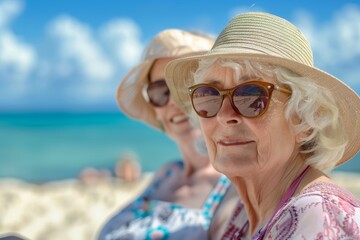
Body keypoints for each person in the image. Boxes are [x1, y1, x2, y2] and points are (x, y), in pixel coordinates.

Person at [165, 12, 360, 239]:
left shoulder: (321, 214)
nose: (224, 116)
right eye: (209, 95)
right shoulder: (242, 214)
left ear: (306, 120)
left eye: (251, 96)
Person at [98, 29, 239, 240]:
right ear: (154, 106)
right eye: (161, 91)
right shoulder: (167, 173)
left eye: (186, 86)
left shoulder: (234, 188)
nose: (174, 101)